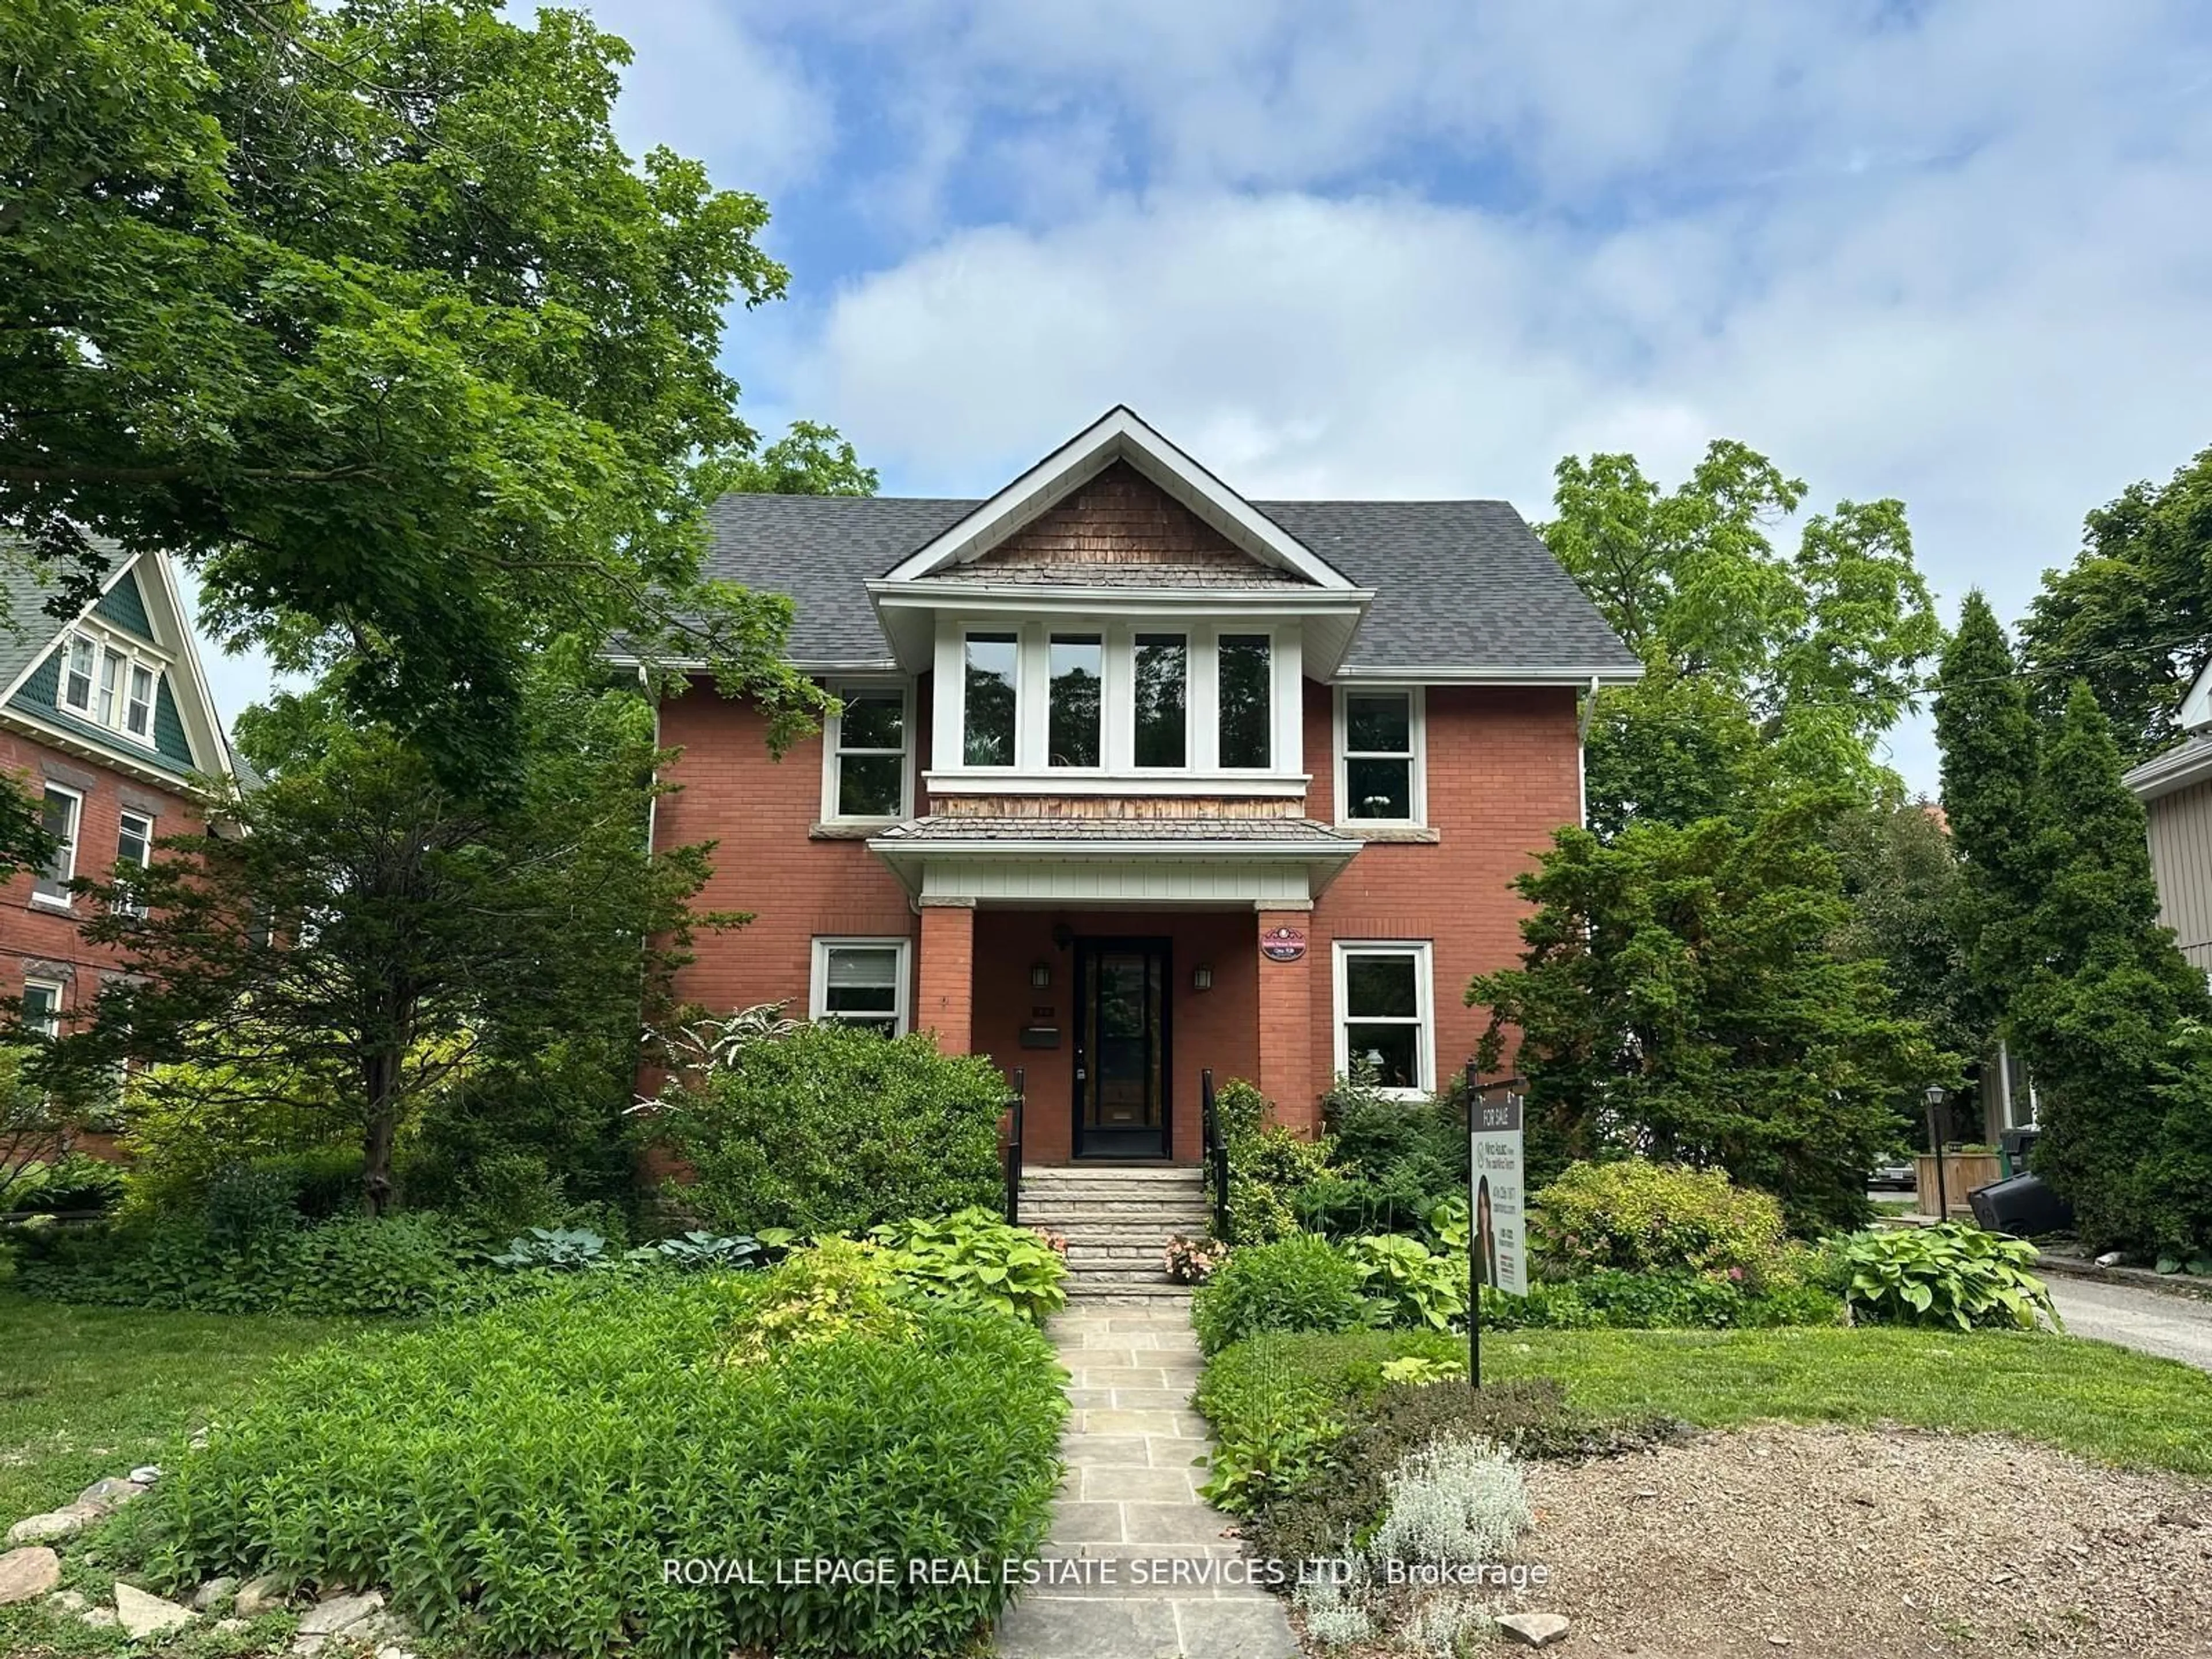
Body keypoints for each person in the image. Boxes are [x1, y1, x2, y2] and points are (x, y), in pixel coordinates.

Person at [1475, 1175, 1498, 1290]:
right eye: (1480, 1207)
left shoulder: (1495, 1239)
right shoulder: (1476, 1240)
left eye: (1485, 1207)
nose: (1483, 1213)